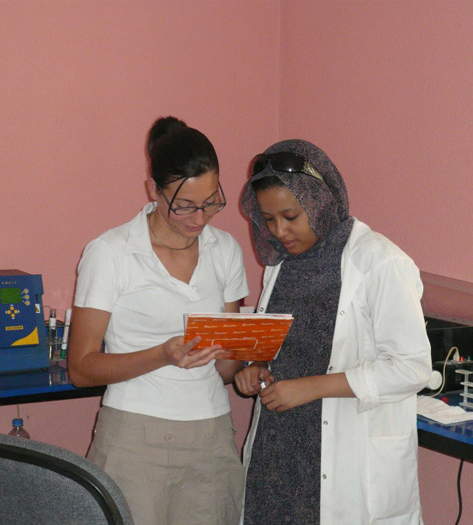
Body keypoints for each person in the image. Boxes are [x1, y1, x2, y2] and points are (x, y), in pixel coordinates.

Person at [234, 140, 432, 524]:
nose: (280, 231)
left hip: (346, 460)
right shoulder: (280, 264)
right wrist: (256, 365)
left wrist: (310, 387)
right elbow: (283, 343)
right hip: (278, 457)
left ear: (320, 201)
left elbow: (412, 368)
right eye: (269, 219)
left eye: (290, 216)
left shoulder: (380, 261)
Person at [68, 116, 248, 524]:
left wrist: (248, 351)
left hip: (211, 434)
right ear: (153, 190)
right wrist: (164, 355)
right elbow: (81, 368)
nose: (199, 219)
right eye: (184, 205)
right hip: (134, 435)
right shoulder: (110, 253)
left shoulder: (225, 250)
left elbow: (226, 369)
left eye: (210, 203)